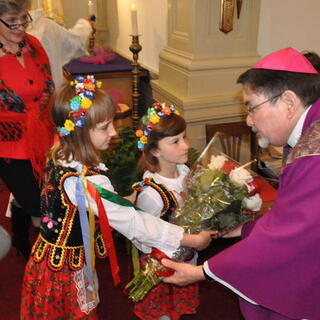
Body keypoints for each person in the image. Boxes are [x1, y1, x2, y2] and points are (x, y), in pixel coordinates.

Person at [20, 75, 213, 320]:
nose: (113, 132)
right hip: (65, 270)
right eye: (104, 127)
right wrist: (187, 239)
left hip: (49, 256)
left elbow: (90, 203)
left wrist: (120, 199)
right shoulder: (86, 180)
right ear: (78, 133)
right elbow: (132, 222)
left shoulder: (62, 151)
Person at [161, 47, 320, 320]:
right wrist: (241, 229)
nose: (248, 121)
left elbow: (293, 236)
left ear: (289, 102)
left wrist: (203, 271)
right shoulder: (308, 134)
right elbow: (293, 219)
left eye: (251, 108)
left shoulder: (313, 156)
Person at [133, 102, 199, 320]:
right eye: (176, 141)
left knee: (180, 309)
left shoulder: (184, 171)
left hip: (185, 257)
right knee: (163, 313)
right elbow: (141, 235)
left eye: (185, 138)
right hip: (162, 266)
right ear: (155, 150)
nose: (186, 146)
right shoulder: (152, 193)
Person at [0, 0, 55, 260]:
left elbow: (49, 85)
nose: (20, 26)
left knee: (43, 192)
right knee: (38, 204)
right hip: (8, 144)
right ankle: (47, 264)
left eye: (24, 18)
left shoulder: (33, 44)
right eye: (12, 20)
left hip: (44, 136)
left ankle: (21, 237)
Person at [28, 3, 93, 89]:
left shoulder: (45, 25)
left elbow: (72, 42)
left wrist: (85, 25)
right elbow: (74, 41)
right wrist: (86, 25)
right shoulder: (46, 25)